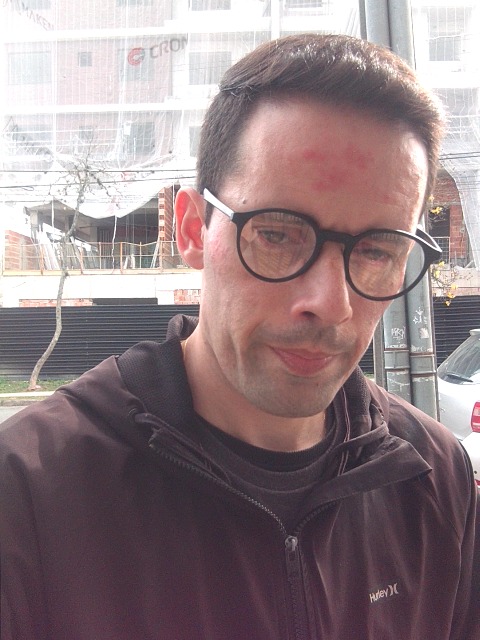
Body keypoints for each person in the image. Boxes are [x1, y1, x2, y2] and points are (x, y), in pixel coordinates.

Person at [0, 33, 478, 640]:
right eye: (277, 235)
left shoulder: (435, 481)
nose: (331, 305)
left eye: (378, 251)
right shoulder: (28, 494)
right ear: (192, 230)